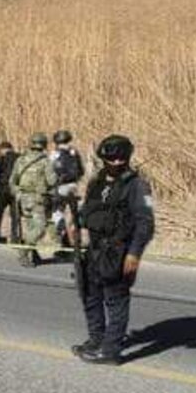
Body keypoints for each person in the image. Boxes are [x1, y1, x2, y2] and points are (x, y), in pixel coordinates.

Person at [71, 135, 155, 365]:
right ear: (104, 158)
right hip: (94, 249)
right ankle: (96, 339)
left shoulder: (137, 185)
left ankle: (110, 351)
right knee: (90, 296)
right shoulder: (96, 182)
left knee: (116, 300)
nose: (117, 162)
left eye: (121, 158)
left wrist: (134, 253)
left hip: (119, 250)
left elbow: (145, 223)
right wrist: (76, 223)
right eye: (112, 158)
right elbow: (88, 209)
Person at [10, 132, 58, 267]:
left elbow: (12, 181)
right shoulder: (45, 161)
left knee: (31, 226)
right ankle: (24, 252)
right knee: (40, 227)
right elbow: (52, 180)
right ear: (43, 145)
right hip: (37, 199)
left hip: (23, 199)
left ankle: (34, 255)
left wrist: (18, 193)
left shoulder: (20, 160)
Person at [50, 130, 85, 247]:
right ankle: (76, 240)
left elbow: (50, 172)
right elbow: (81, 171)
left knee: (56, 211)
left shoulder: (55, 154)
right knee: (74, 214)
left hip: (60, 187)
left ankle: (62, 231)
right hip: (74, 186)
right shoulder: (74, 153)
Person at [0, 141, 21, 244]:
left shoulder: (1, 159)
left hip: (2, 190)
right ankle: (16, 238)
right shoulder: (20, 159)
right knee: (15, 215)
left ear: (2, 149)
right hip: (16, 190)